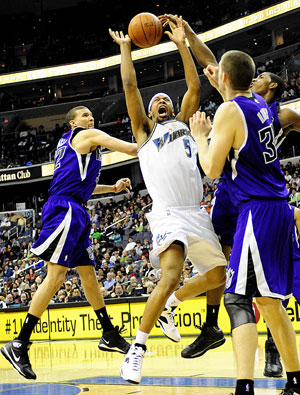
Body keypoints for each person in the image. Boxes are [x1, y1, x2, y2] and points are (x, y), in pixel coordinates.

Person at [158, 13, 300, 370]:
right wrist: (189, 33)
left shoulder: (276, 113)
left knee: (243, 285)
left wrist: (202, 137)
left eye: (263, 77)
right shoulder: (248, 103)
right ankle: (212, 326)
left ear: (269, 88)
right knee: (231, 274)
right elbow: (215, 64)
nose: (258, 76)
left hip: (248, 200)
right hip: (246, 198)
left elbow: (213, 165)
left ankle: (255, 355)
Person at [109, 15, 227, 385]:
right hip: (168, 213)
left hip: (197, 212)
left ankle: (170, 306)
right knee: (172, 272)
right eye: (155, 101)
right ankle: (136, 351)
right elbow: (130, 86)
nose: (160, 102)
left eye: (165, 100)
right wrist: (127, 50)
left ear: (174, 107)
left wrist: (180, 42)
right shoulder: (144, 132)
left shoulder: (184, 123)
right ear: (149, 112)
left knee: (219, 276)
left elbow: (193, 84)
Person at [190, 49, 300, 395]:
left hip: (257, 213)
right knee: (268, 301)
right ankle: (296, 380)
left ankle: (245, 386)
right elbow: (238, 111)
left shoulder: (228, 110)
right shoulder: (258, 105)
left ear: (223, 78)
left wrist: (199, 137)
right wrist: (223, 85)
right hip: (279, 210)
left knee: (237, 300)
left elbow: (211, 168)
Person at [0, 105, 137, 380]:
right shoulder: (85, 135)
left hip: (77, 207)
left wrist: (111, 189)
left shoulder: (78, 148)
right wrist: (158, 139)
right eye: (85, 114)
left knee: (88, 275)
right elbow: (132, 149)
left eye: (91, 114)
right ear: (72, 123)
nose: (91, 117)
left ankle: (108, 332)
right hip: (65, 210)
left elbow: (81, 185)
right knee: (56, 276)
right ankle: (19, 344)